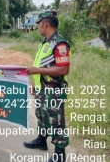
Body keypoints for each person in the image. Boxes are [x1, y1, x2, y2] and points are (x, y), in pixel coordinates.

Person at [24, 11, 71, 162]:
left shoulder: (60, 43)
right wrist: (34, 84)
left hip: (53, 90)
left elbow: (63, 69)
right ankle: (41, 140)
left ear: (45, 24)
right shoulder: (44, 42)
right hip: (42, 88)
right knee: (42, 116)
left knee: (56, 121)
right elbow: (37, 65)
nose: (38, 27)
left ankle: (59, 153)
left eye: (39, 24)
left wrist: (37, 71)